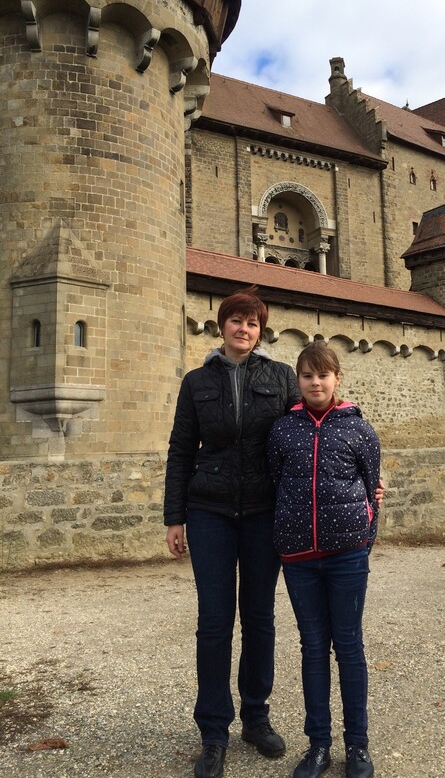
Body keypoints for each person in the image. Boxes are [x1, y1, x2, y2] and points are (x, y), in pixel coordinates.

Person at [164, 286, 300, 778]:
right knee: (215, 623)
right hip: (210, 511)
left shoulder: (282, 377)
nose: (244, 329)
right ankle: (214, 732)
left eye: (253, 324)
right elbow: (181, 449)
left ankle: (256, 717)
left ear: (261, 332)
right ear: (221, 326)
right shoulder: (196, 382)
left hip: (264, 511)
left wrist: (362, 467)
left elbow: (305, 434)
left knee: (260, 618)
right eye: (236, 321)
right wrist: (173, 517)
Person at [268, 342, 380, 778]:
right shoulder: (282, 431)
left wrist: (362, 538)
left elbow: (371, 488)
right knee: (313, 648)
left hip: (347, 555)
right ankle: (318, 745)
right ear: (298, 382)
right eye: (308, 376)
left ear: (337, 378)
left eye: (323, 375)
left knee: (349, 647)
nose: (316, 383)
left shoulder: (359, 431)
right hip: (298, 556)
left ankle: (358, 746)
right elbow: (277, 482)